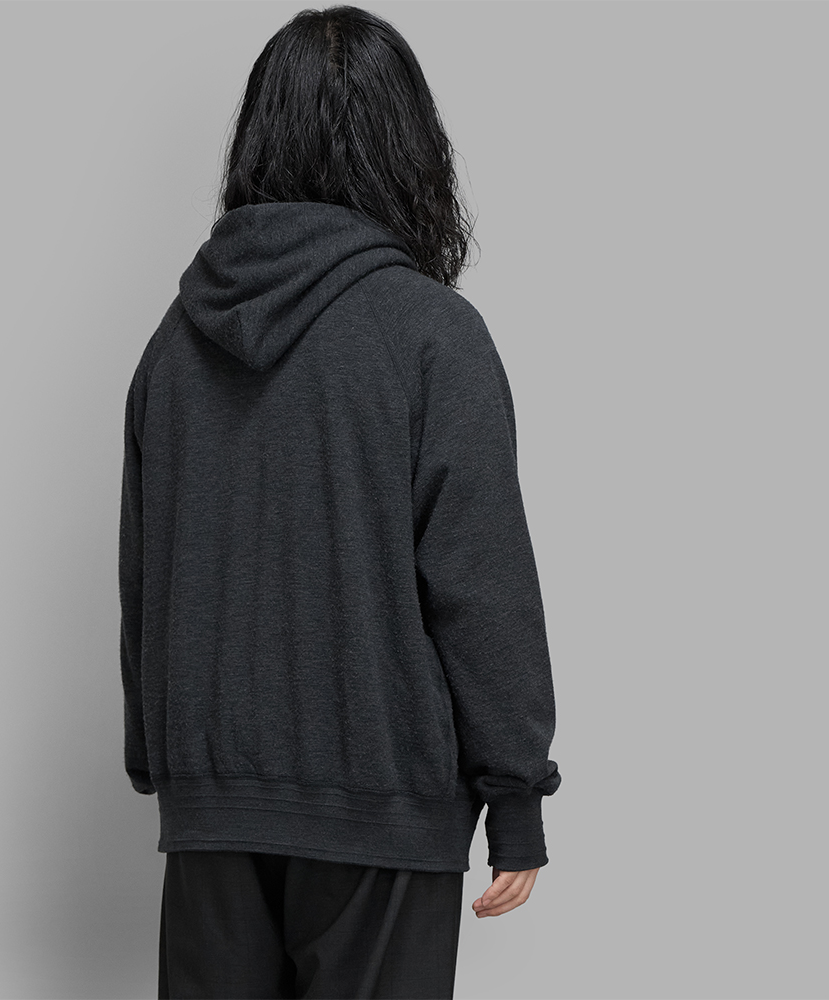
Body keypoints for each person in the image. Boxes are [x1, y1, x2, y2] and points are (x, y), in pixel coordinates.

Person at [117, 5, 562, 998]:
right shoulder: (431, 335)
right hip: (380, 805)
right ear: (409, 148)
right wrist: (516, 795)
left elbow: (144, 571)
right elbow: (480, 584)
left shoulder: (174, 344)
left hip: (214, 811)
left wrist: (164, 758)